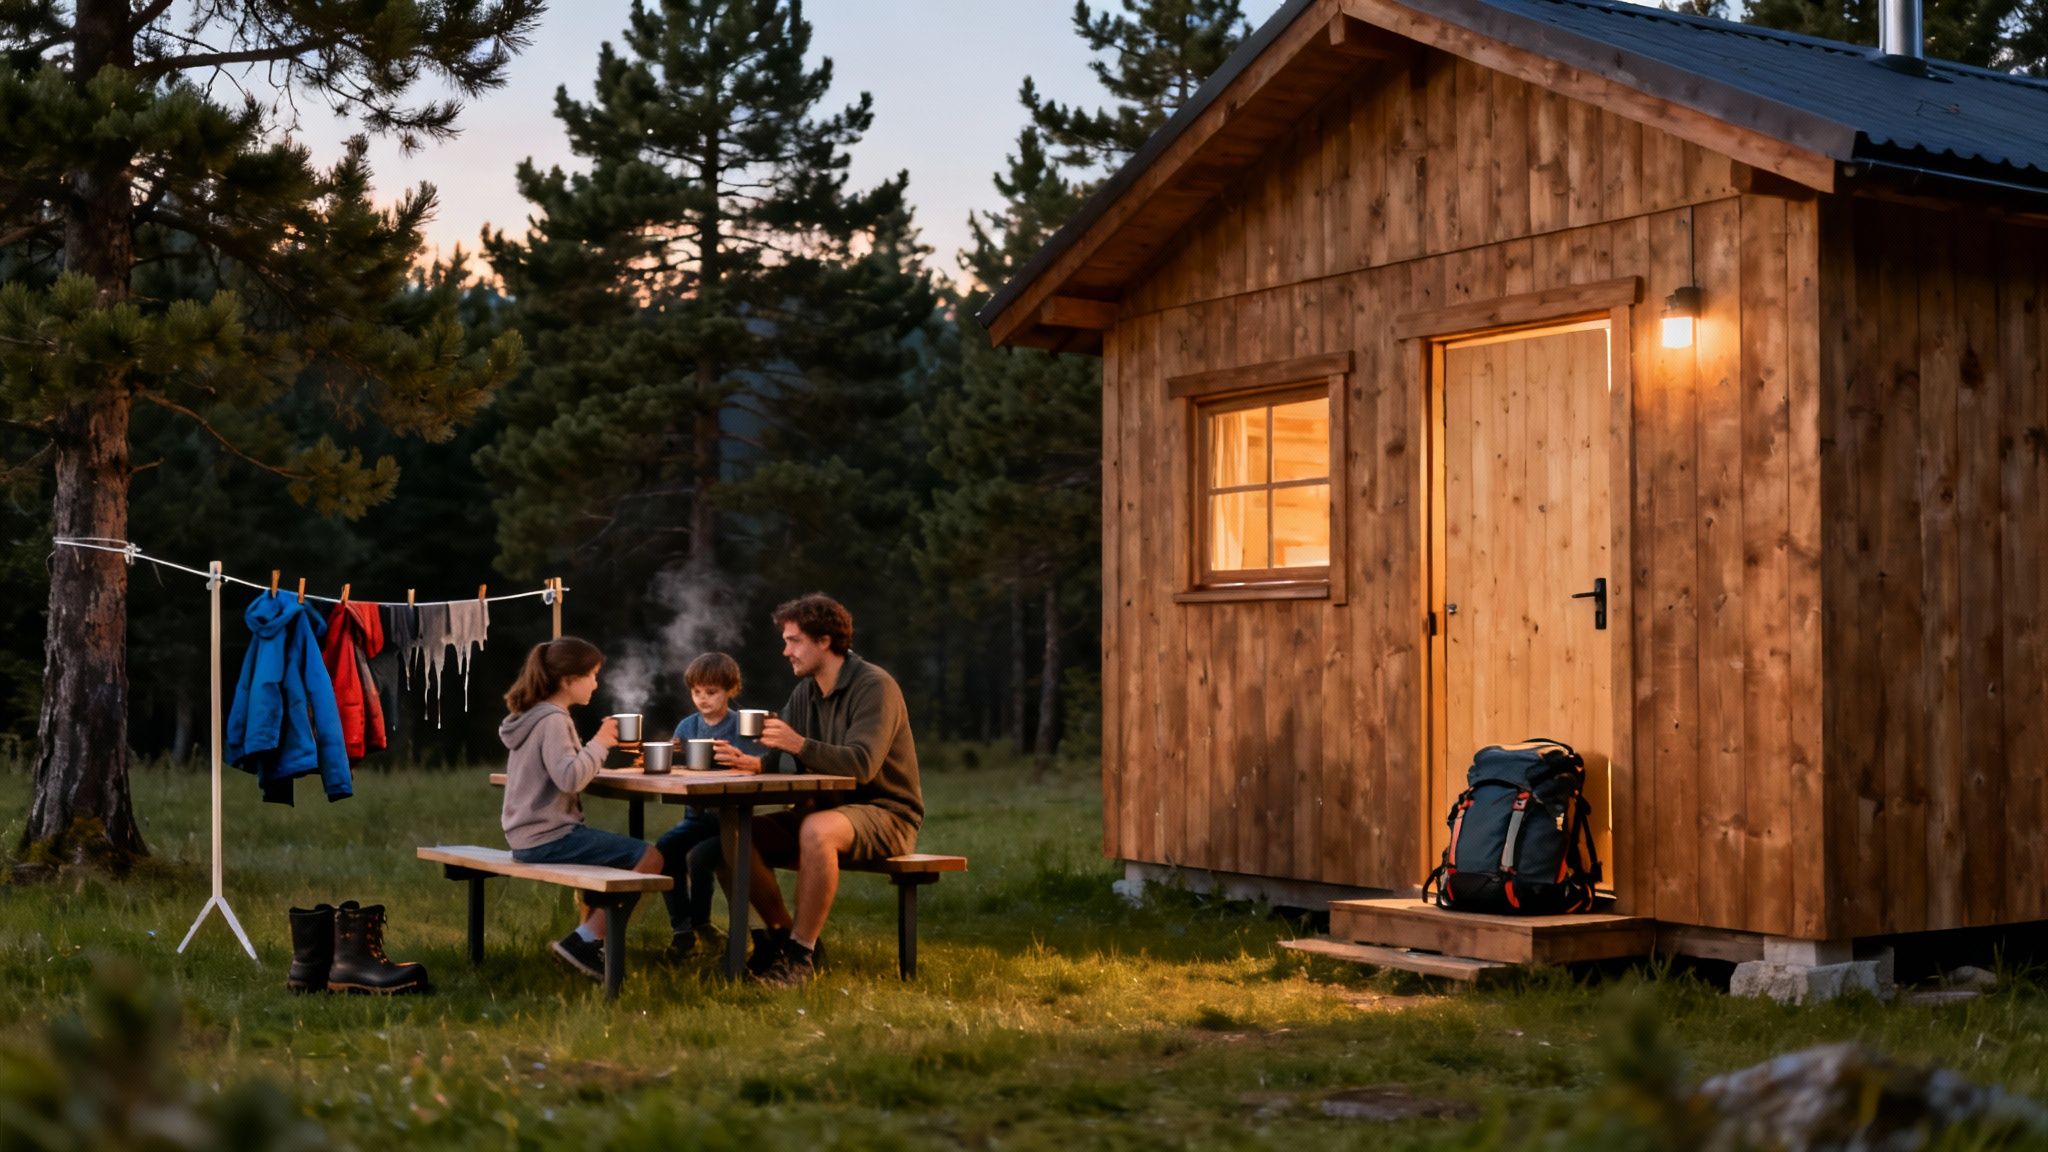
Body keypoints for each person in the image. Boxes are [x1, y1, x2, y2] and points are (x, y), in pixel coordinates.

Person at [714, 593, 923, 986]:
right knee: (733, 835)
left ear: (824, 641)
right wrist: (756, 763)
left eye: (794, 641)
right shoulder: (806, 692)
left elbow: (861, 764)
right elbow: (788, 757)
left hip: (887, 813)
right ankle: (779, 940)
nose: (785, 651)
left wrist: (797, 744)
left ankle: (799, 957)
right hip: (823, 808)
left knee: (816, 830)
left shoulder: (875, 686)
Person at [498, 636, 662, 982]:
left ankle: (590, 945)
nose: (596, 683)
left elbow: (562, 770)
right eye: (592, 675)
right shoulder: (554, 720)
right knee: (650, 857)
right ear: (569, 680)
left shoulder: (532, 716)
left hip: (526, 835)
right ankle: (583, 943)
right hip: (547, 836)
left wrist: (593, 755)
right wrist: (601, 742)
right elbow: (570, 778)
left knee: (610, 861)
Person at [654, 651, 764, 958]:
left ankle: (703, 923)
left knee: (700, 859)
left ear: (730, 690)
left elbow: (752, 767)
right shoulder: (687, 727)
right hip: (696, 816)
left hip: (732, 819)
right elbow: (676, 767)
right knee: (666, 849)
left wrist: (736, 758)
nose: (703, 699)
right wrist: (672, 756)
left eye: (711, 692)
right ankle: (683, 929)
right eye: (696, 692)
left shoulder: (742, 725)